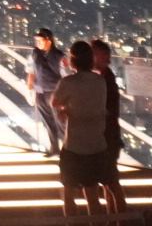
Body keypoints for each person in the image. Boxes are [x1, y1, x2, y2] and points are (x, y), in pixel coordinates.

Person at [51, 40, 107, 217]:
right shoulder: (100, 81)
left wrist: (66, 108)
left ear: (73, 60)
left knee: (68, 194)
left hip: (74, 147)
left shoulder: (68, 82)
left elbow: (55, 102)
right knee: (92, 197)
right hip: (96, 146)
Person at [90, 40, 128, 212]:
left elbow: (106, 109)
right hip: (109, 136)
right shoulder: (105, 77)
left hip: (107, 137)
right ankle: (114, 218)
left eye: (94, 53)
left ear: (104, 56)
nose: (91, 57)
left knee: (111, 182)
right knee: (108, 182)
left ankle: (119, 218)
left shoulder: (105, 79)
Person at [27, 29, 67, 156]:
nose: (37, 42)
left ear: (49, 41)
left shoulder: (60, 56)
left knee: (61, 122)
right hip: (40, 92)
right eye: (36, 40)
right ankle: (54, 148)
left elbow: (66, 76)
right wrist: (30, 90)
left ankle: (68, 149)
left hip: (55, 93)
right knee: (48, 121)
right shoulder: (34, 54)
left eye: (40, 40)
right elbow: (31, 72)